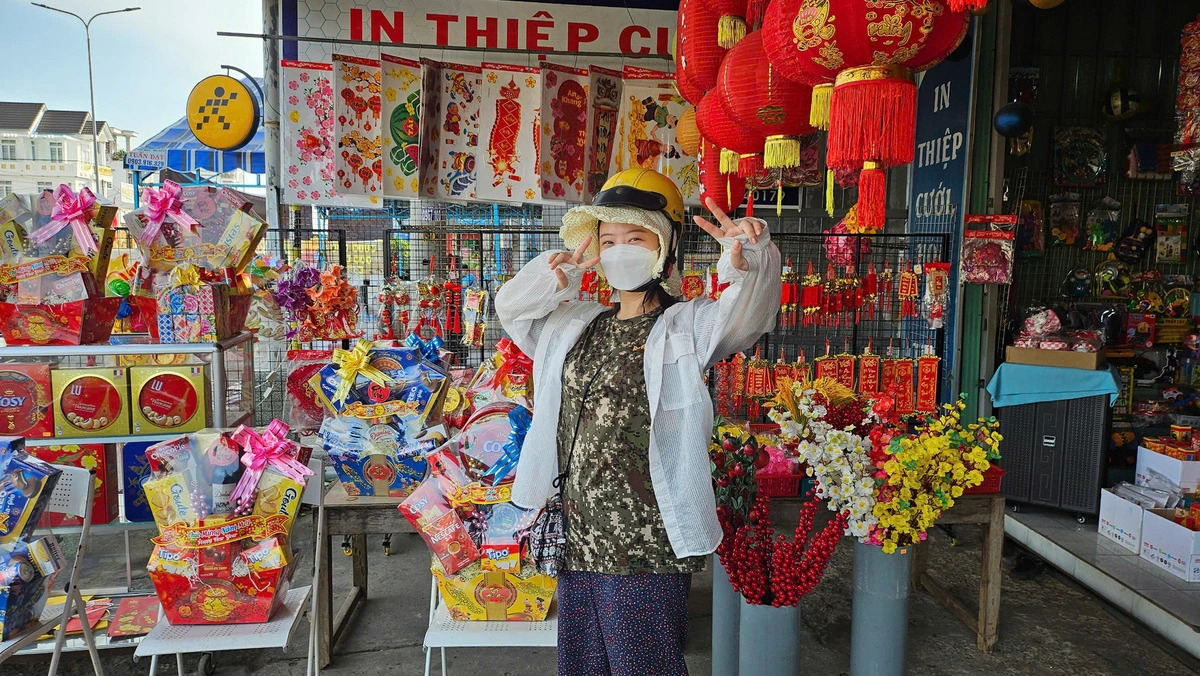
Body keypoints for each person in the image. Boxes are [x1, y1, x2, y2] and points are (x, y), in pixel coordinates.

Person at [496, 168, 781, 675]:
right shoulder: (573, 324)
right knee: (583, 666)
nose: (620, 249)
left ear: (664, 249)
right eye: (608, 239)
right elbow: (512, 312)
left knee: (643, 665)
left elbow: (747, 315)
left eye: (636, 237)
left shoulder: (688, 325)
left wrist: (751, 259)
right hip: (578, 535)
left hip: (645, 542)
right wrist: (550, 274)